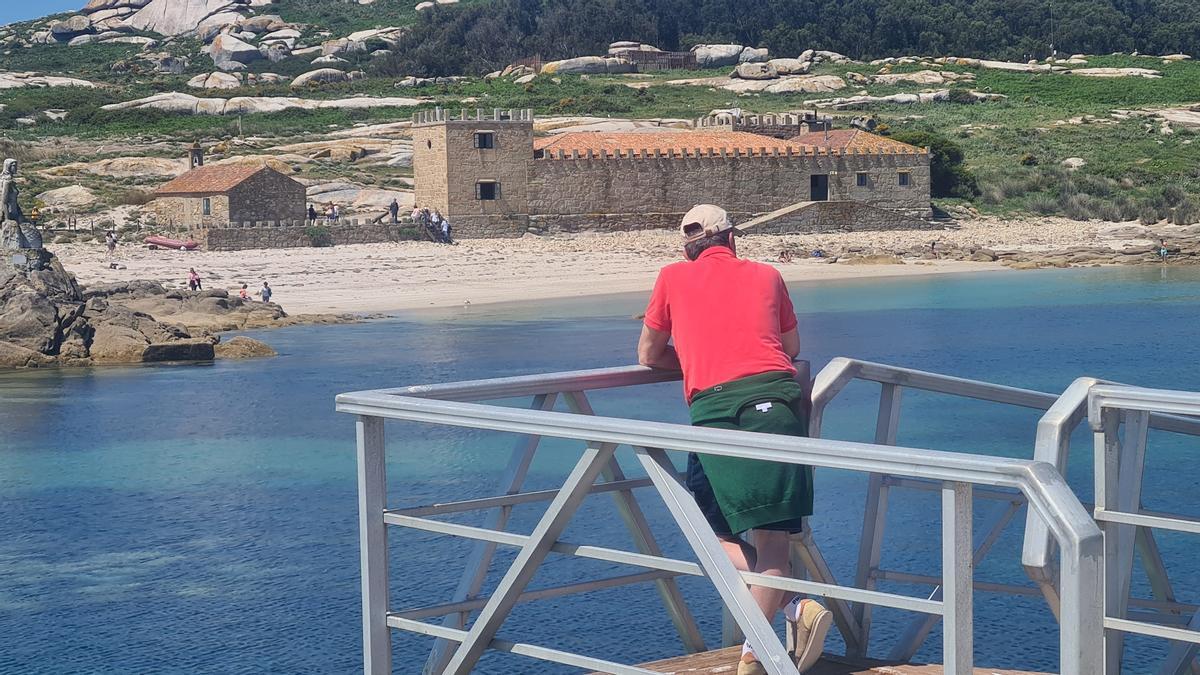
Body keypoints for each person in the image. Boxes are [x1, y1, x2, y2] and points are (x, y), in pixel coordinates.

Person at [637, 204, 831, 675]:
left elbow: (647, 355)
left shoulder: (673, 277)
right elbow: (791, 350)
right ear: (732, 238)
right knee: (774, 545)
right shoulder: (768, 275)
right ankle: (778, 624)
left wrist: (699, 362)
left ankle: (768, 639)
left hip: (715, 409)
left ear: (688, 248)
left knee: (710, 531)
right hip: (777, 404)